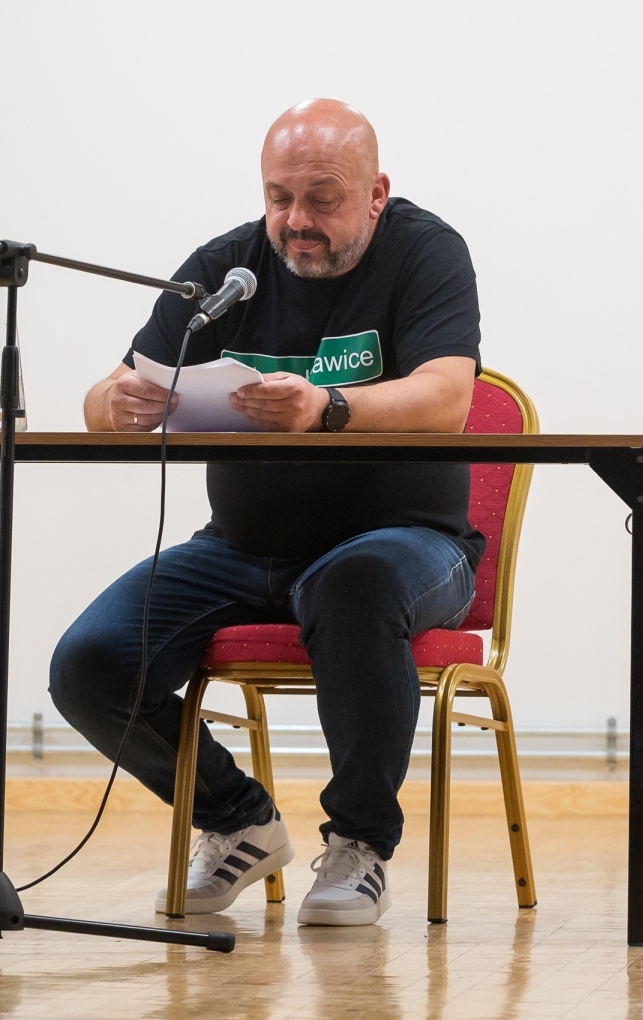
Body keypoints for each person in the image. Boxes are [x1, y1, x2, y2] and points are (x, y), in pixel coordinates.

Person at [48, 99, 483, 927]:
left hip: (411, 544)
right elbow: (106, 393)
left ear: (376, 193)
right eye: (279, 198)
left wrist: (328, 406)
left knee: (351, 586)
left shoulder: (425, 253)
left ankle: (360, 844)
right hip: (243, 548)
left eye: (322, 199)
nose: (296, 221)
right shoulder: (227, 270)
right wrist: (118, 404)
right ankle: (237, 819)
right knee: (89, 664)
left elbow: (447, 397)